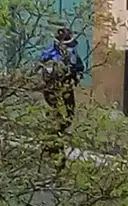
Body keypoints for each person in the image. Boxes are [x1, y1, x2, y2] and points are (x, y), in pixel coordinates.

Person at [39, 27, 85, 164]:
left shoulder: (52, 53)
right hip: (59, 90)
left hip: (57, 90)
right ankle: (54, 145)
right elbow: (78, 67)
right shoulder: (61, 55)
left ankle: (53, 142)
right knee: (62, 116)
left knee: (62, 115)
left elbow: (79, 66)